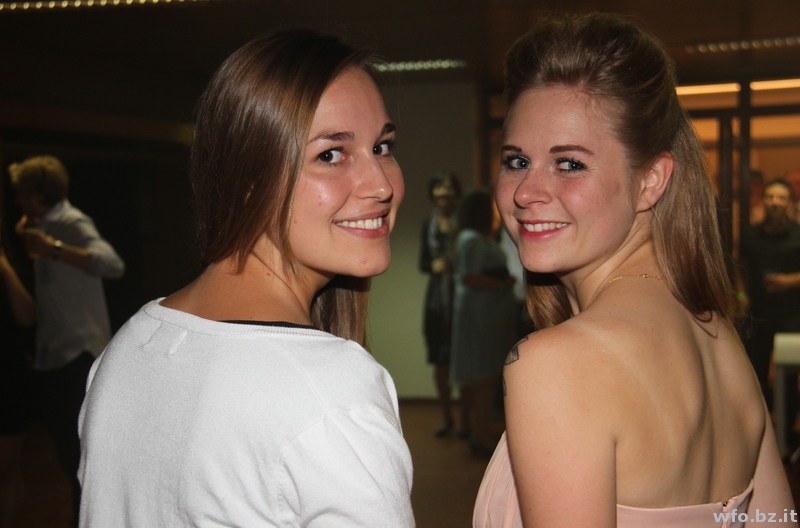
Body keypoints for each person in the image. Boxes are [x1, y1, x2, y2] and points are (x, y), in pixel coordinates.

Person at [78, 29, 414, 527]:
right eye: (331, 154)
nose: (381, 184)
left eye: (382, 146)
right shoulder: (330, 391)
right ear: (248, 181)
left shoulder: (128, 348)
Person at [473, 12, 795, 527]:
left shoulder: (555, 364)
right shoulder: (716, 335)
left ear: (650, 181)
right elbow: (777, 519)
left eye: (569, 163)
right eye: (516, 160)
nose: (527, 192)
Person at [8, 155, 125, 527]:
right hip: (56, 357)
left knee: (80, 463)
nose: (16, 201)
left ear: (35, 193)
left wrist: (54, 247)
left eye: (21, 194)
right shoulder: (43, 226)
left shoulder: (70, 223)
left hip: (79, 356)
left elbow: (113, 264)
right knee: (69, 460)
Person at [450, 188, 516, 457]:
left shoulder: (478, 239)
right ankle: (479, 430)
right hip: (480, 315)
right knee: (484, 372)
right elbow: (470, 276)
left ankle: (474, 427)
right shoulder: (472, 240)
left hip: (486, 312)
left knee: (481, 372)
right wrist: (502, 284)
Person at [739, 178, 800, 435]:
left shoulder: (798, 234)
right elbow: (739, 266)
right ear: (763, 201)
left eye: (781, 197)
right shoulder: (750, 234)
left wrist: (788, 281)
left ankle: (787, 435)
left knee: (789, 378)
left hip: (791, 315)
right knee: (755, 376)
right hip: (758, 315)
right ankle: (760, 434)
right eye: (771, 197)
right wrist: (741, 296)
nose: (775, 202)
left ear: (790, 203)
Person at [419, 170, 461, 437]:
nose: (443, 192)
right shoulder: (429, 223)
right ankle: (447, 418)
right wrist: (433, 265)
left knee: (465, 359)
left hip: (462, 294)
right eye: (439, 187)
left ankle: (468, 421)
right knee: (439, 359)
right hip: (437, 297)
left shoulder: (464, 223)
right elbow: (423, 262)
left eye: (448, 187)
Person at [0, 236, 35, 528]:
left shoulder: (12, 269)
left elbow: (27, 316)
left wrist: (2, 265)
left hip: (6, 377)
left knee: (5, 471)